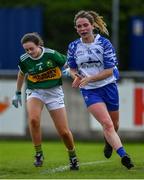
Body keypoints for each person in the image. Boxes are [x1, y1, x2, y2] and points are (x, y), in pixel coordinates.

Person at [67, 10, 134, 169]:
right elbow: (71, 68)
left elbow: (110, 71)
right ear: (76, 29)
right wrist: (75, 76)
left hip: (108, 86)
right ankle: (124, 155)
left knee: (114, 124)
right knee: (107, 124)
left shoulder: (104, 43)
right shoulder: (73, 46)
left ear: (92, 26)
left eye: (85, 25)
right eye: (79, 26)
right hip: (90, 91)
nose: (82, 29)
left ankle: (108, 142)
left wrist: (89, 77)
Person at [12, 32, 79, 170]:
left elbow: (68, 66)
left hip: (54, 93)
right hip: (35, 92)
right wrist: (18, 93)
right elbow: (21, 74)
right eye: (26, 50)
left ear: (39, 45)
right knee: (33, 120)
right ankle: (38, 154)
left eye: (32, 48)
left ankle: (72, 156)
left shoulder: (52, 54)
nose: (29, 52)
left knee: (64, 132)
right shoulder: (24, 59)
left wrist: (69, 73)